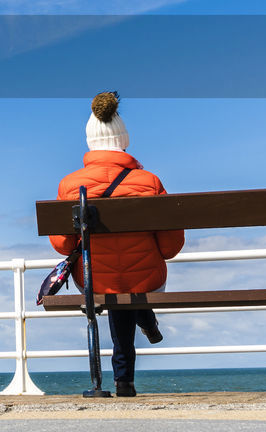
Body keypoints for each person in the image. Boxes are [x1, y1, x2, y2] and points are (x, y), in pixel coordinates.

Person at [50, 91, 184, 397]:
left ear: (90, 142)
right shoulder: (149, 182)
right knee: (130, 285)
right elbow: (170, 248)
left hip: (94, 278)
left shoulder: (71, 185)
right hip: (146, 277)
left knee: (112, 282)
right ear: (124, 139)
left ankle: (122, 378)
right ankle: (135, 350)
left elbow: (61, 245)